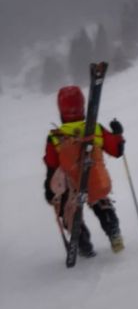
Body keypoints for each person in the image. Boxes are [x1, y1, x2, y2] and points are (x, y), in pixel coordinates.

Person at [43, 86, 125, 257]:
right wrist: (118, 134)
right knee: (101, 202)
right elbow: (117, 150)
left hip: (72, 184)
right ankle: (112, 229)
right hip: (95, 180)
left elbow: (52, 166)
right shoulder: (95, 129)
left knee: (69, 211)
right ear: (83, 106)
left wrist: (49, 190)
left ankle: (81, 242)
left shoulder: (55, 137)